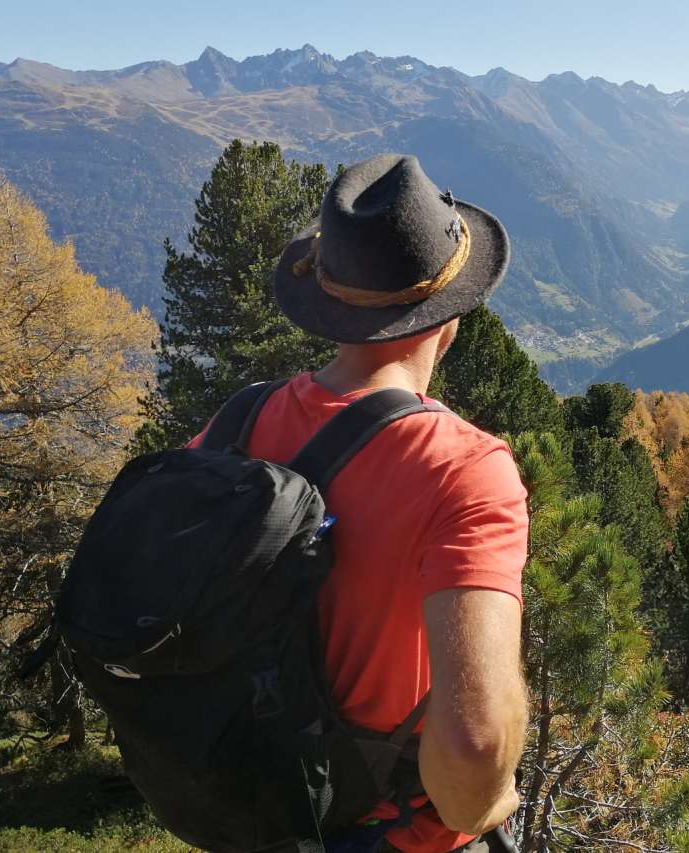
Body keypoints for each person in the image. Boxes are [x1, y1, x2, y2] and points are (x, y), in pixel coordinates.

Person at [194, 154, 529, 852]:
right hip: (386, 834)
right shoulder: (466, 470)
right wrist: (494, 800)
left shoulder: (234, 425)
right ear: (453, 315)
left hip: (251, 814)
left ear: (329, 304)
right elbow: (472, 750)